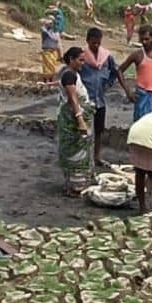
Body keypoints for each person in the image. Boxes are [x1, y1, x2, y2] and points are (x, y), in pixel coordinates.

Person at [79, 27, 133, 167]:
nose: (96, 46)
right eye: (93, 43)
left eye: (98, 43)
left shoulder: (106, 57)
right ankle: (83, 157)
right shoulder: (82, 56)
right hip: (85, 101)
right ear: (87, 41)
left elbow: (116, 71)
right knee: (84, 131)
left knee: (98, 131)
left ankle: (96, 157)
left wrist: (111, 84)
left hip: (100, 101)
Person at [56, 47, 94, 196]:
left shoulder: (72, 74)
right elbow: (73, 99)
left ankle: (73, 185)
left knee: (77, 153)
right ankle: (75, 187)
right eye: (80, 60)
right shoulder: (69, 76)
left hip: (72, 120)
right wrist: (80, 120)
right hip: (72, 122)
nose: (82, 63)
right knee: (75, 154)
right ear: (71, 59)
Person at [119, 24, 152, 121]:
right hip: (142, 95)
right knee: (140, 124)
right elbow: (119, 71)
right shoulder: (137, 55)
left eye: (147, 39)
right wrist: (128, 92)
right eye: (142, 40)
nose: (144, 42)